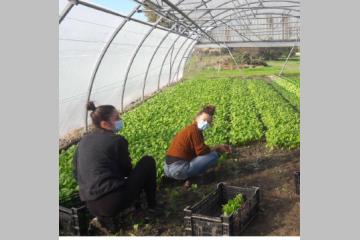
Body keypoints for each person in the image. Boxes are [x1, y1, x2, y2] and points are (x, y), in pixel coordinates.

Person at [73, 101, 160, 232]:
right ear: (104, 124)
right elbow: (127, 171)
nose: (120, 120)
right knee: (148, 161)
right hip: (113, 202)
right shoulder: (116, 141)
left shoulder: (83, 141)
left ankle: (104, 219)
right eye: (117, 118)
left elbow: (76, 173)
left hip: (90, 205)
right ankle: (152, 206)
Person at [164, 105, 231, 183]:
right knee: (213, 155)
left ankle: (184, 178)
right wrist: (218, 147)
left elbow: (198, 151)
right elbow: (201, 151)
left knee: (207, 154)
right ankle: (192, 179)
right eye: (204, 120)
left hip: (167, 169)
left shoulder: (189, 128)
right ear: (197, 117)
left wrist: (216, 147)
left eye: (208, 122)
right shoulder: (194, 130)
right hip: (177, 169)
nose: (206, 123)